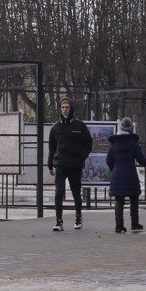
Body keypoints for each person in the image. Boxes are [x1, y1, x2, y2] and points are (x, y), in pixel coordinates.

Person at [106, 117, 146, 233]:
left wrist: (114, 169)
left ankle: (119, 226)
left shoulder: (114, 144)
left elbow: (108, 160)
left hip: (117, 174)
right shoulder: (133, 144)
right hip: (130, 174)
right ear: (131, 129)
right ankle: (134, 223)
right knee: (134, 198)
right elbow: (142, 161)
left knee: (119, 200)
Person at [47, 97, 93, 231]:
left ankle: (78, 216)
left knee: (76, 193)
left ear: (71, 108)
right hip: (60, 164)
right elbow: (51, 148)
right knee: (58, 192)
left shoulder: (80, 125)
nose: (65, 110)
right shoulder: (56, 127)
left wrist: (81, 158)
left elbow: (88, 144)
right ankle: (58, 221)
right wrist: (50, 165)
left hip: (75, 165)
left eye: (67, 107)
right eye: (62, 107)